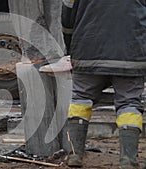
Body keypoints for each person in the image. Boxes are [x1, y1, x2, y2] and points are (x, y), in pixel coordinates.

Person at [51, 0, 146, 168]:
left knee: (81, 98)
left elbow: (67, 15)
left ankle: (75, 155)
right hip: (130, 53)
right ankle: (128, 161)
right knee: (129, 103)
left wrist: (71, 47)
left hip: (87, 50)